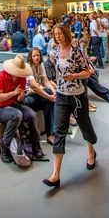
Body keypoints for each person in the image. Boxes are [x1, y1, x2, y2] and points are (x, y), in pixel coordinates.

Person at [43, 24, 97, 187]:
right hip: (61, 95)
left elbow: (87, 71)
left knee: (84, 124)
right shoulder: (53, 52)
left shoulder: (75, 51)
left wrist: (74, 75)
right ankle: (55, 174)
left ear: (66, 34)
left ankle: (91, 151)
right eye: (55, 34)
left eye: (60, 33)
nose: (57, 36)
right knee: (59, 132)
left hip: (77, 95)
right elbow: (57, 72)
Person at [0, 54, 44, 163]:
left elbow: (18, 98)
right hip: (1, 108)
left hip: (15, 104)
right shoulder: (1, 76)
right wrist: (13, 93)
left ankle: (36, 144)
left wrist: (20, 97)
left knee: (32, 115)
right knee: (17, 114)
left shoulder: (22, 78)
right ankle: (5, 146)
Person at [24, 48, 56, 145]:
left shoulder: (41, 65)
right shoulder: (28, 67)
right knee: (48, 97)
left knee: (48, 100)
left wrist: (53, 91)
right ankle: (52, 132)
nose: (36, 57)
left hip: (37, 94)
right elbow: (35, 86)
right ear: (30, 57)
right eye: (34, 56)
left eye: (38, 55)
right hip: (28, 96)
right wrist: (50, 96)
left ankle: (50, 134)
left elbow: (45, 81)